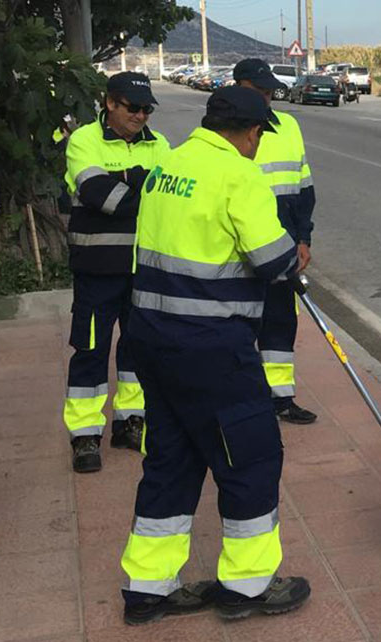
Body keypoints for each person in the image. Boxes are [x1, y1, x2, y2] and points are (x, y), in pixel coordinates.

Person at [119, 86, 310, 625]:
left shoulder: (168, 166)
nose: (256, 146)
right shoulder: (238, 175)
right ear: (250, 133)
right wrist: (290, 260)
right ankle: (247, 589)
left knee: (171, 462)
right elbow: (274, 260)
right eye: (258, 137)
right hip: (211, 348)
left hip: (151, 339)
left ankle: (148, 591)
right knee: (250, 457)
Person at [63, 72, 170, 473]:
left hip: (144, 269)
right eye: (133, 107)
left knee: (138, 350)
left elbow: (167, 201)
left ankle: (130, 421)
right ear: (110, 103)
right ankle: (85, 434)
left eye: (147, 109)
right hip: (97, 269)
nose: (141, 116)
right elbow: (101, 197)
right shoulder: (83, 141)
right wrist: (142, 181)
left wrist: (126, 182)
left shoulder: (161, 145)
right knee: (90, 350)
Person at [232, 58, 319, 425]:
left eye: (269, 91)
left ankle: (280, 398)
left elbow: (303, 188)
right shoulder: (228, 130)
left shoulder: (288, 127)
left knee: (281, 324)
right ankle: (243, 399)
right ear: (237, 87)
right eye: (258, 91)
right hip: (239, 250)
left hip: (282, 248)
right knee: (239, 328)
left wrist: (303, 238)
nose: (266, 98)